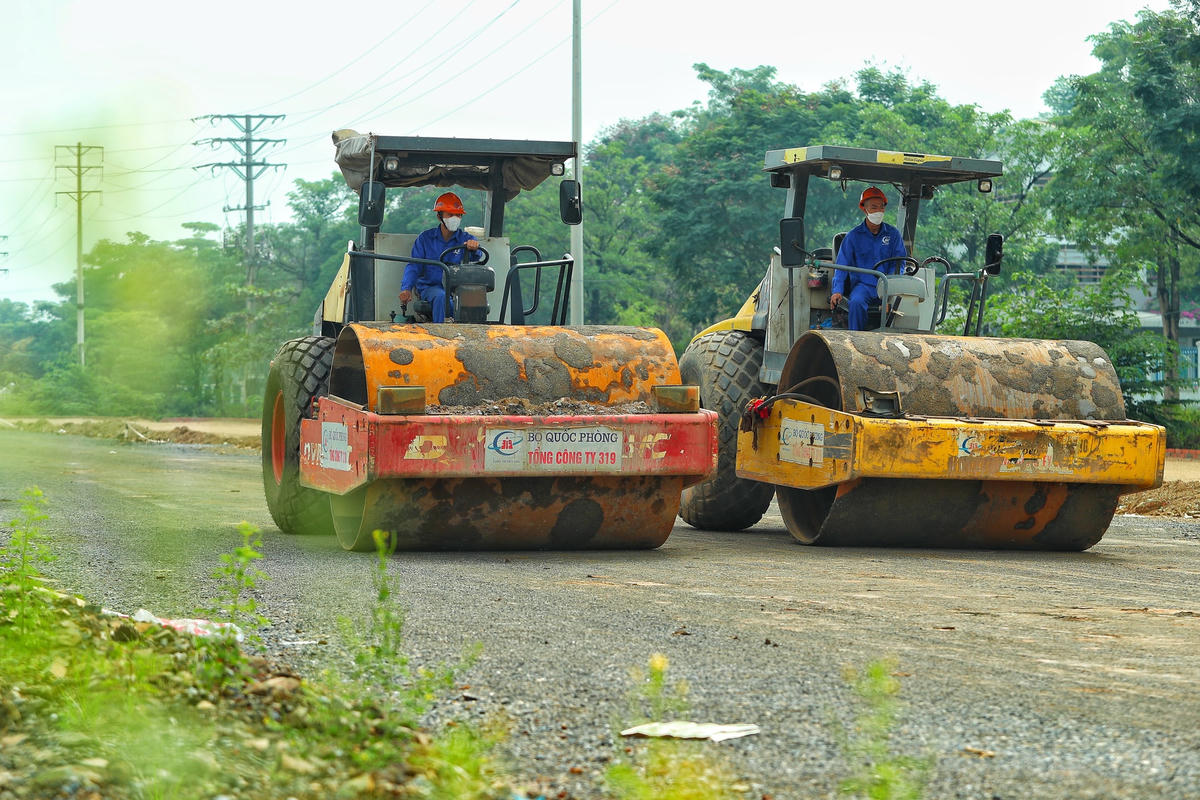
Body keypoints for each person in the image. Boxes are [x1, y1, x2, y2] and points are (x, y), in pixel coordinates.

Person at [829, 186, 908, 331]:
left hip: (887, 285)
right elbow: (842, 265)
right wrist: (837, 290)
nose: (878, 211)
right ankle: (855, 339)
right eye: (873, 207)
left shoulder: (893, 235)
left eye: (881, 207)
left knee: (907, 304)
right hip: (863, 286)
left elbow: (899, 262)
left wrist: (891, 283)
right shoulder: (853, 237)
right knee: (857, 302)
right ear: (864, 209)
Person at [399, 192, 483, 323]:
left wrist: (474, 247)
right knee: (441, 297)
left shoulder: (466, 239)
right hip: (430, 287)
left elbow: (478, 255)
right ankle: (443, 336)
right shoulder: (425, 239)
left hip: (458, 289)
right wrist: (406, 289)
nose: (455, 218)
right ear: (439, 216)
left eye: (458, 215)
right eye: (450, 215)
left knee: (476, 298)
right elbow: (414, 266)